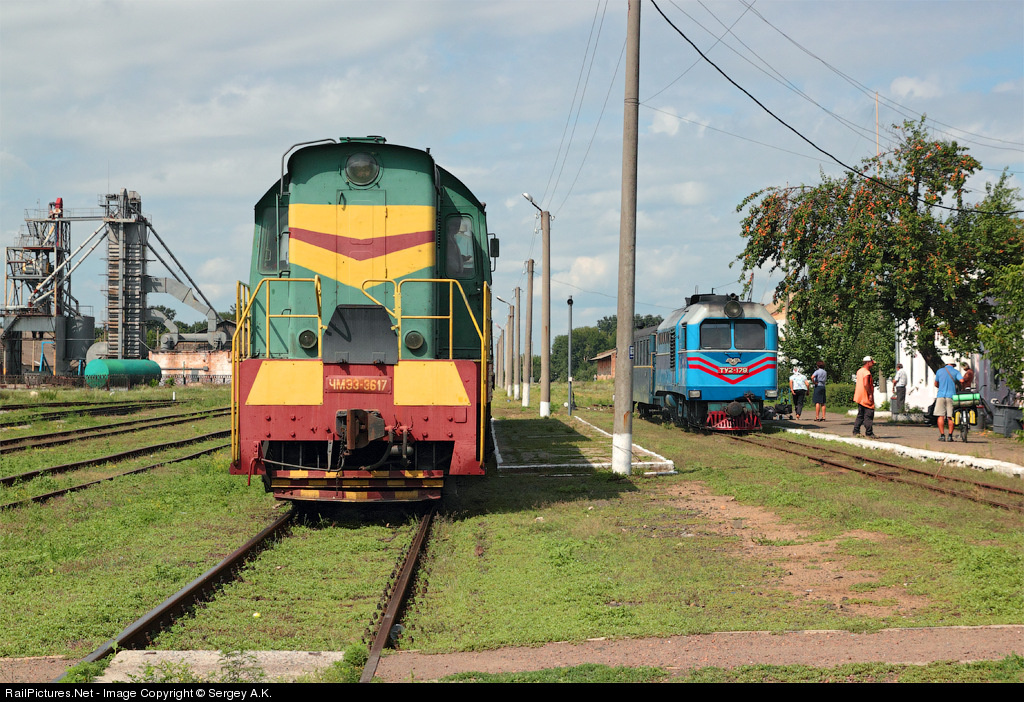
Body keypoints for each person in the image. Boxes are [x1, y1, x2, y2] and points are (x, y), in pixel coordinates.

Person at [934, 360, 963, 442]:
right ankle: (950, 436)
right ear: (953, 365)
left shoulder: (939, 371)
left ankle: (942, 435)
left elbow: (936, 384)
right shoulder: (956, 372)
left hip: (940, 395)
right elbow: (962, 380)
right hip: (951, 396)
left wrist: (941, 387)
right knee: (950, 416)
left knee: (940, 416)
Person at [852, 356, 876, 437]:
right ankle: (869, 433)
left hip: (859, 396)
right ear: (868, 363)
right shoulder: (866, 372)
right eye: (872, 363)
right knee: (869, 414)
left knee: (861, 414)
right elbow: (866, 384)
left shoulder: (859, 371)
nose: (873, 365)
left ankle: (856, 431)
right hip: (866, 396)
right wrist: (870, 394)